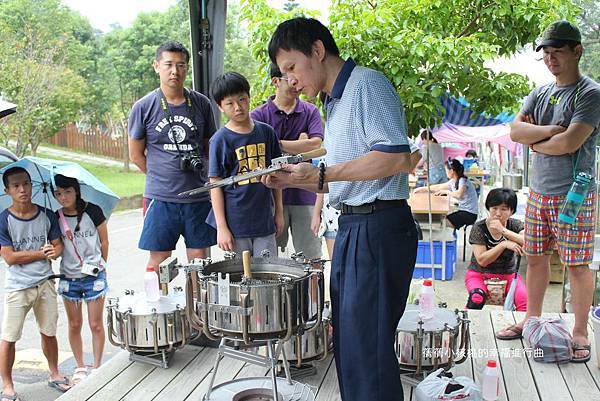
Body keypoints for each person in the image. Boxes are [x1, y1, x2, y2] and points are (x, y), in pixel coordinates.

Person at [264, 17, 418, 401]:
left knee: (369, 347)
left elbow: (395, 158)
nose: (290, 81)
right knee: (348, 340)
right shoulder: (333, 102)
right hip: (352, 225)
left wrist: (320, 174)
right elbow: (341, 174)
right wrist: (291, 179)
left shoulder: (367, 84)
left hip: (379, 226)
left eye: (292, 67)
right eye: (284, 73)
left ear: (317, 50)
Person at [499, 20, 600, 363]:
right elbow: (515, 131)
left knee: (577, 265)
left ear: (577, 51)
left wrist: (538, 141)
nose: (551, 59)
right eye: (546, 53)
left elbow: (570, 142)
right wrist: (551, 131)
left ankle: (580, 331)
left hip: (575, 194)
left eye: (558, 52)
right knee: (535, 258)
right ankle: (531, 321)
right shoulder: (540, 92)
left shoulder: (590, 93)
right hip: (539, 192)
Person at [128, 40, 217, 271]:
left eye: (181, 65)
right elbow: (136, 154)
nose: (174, 71)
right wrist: (160, 175)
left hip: (197, 196)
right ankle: (156, 296)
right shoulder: (144, 107)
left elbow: (209, 148)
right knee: (159, 261)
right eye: (168, 64)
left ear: (187, 67)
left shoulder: (201, 103)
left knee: (199, 262)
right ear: (156, 66)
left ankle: (196, 297)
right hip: (160, 198)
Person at [0, 167, 70, 400]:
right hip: (18, 286)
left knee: (49, 332)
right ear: (7, 190)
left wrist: (54, 251)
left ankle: (55, 373)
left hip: (45, 282)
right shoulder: (3, 220)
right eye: (16, 186)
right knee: (10, 337)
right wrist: (41, 254)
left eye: (26, 184)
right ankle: (8, 385)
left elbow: (58, 246)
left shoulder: (47, 215)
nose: (22, 189)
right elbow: (10, 257)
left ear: (32, 185)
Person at [251, 62, 324, 259]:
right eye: (290, 78)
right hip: (270, 199)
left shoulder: (310, 111)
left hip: (305, 194)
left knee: (311, 258)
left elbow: (316, 145)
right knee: (269, 260)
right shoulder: (258, 115)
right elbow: (258, 152)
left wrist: (275, 142)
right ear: (276, 81)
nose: (296, 83)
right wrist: (300, 143)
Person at [207, 72, 283, 255]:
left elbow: (277, 176)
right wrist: (221, 227)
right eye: (230, 103)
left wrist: (279, 212)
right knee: (240, 272)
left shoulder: (267, 132)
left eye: (242, 99)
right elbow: (215, 185)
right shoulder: (220, 140)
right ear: (220, 107)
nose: (238, 107)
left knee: (268, 270)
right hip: (235, 226)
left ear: (249, 97)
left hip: (264, 222)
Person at [53, 174, 109, 384]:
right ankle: (80, 366)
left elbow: (104, 241)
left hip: (94, 276)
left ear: (76, 191)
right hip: (69, 278)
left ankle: (97, 366)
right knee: (74, 324)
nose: (64, 197)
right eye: (58, 193)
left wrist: (101, 265)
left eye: (68, 192)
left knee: (96, 324)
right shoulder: (56, 217)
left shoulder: (93, 211)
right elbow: (57, 247)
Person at [465, 188, 526, 311]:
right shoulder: (479, 228)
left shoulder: (515, 225)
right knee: (476, 298)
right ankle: (466, 322)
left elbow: (528, 242)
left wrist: (503, 230)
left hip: (508, 274)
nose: (498, 213)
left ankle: (519, 324)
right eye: (494, 208)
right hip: (479, 274)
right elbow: (482, 260)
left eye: (504, 209)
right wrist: (503, 245)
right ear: (488, 208)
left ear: (512, 211)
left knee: (524, 301)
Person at [414, 159, 478, 229]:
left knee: (442, 222)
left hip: (470, 214)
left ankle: (450, 234)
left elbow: (459, 194)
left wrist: (447, 192)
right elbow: (438, 187)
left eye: (446, 170)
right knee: (440, 218)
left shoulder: (462, 180)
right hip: (464, 210)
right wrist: (422, 189)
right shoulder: (453, 181)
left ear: (452, 171)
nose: (446, 172)